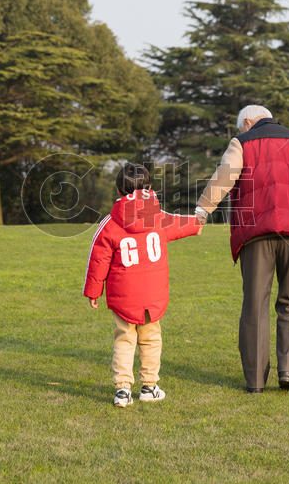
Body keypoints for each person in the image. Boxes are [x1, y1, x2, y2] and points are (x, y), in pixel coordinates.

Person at [194, 105, 289, 393]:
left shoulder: (242, 142)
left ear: (249, 122)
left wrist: (202, 211)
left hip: (257, 233)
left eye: (241, 127)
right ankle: (287, 370)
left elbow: (223, 177)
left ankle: (254, 381)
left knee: (255, 304)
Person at [84, 163, 201, 407]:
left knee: (124, 340)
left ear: (118, 191)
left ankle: (123, 390)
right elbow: (180, 223)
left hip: (124, 297)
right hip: (153, 295)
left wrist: (94, 291)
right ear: (149, 188)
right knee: (151, 340)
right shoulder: (157, 217)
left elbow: (98, 259)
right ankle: (149, 386)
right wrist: (197, 223)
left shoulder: (110, 223)